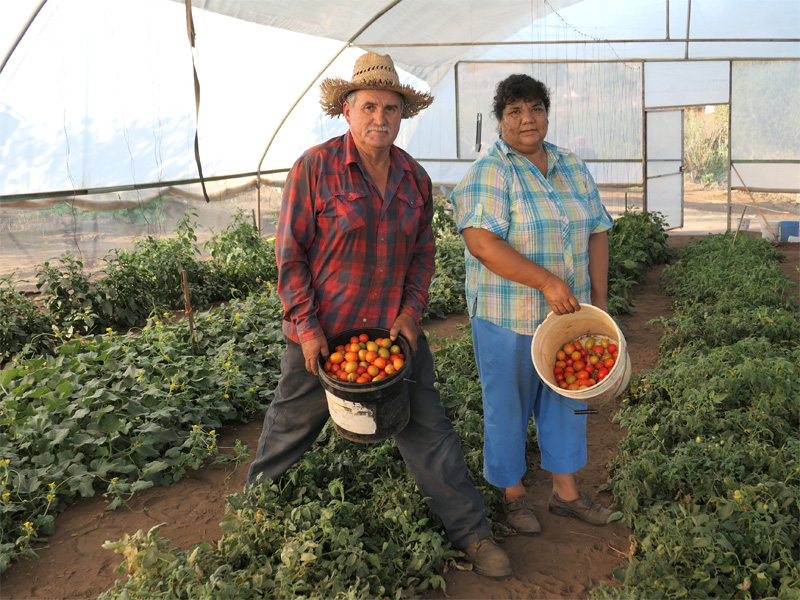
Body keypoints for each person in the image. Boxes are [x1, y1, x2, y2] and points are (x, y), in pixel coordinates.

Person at [245, 52, 511, 578]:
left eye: (391, 108)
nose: (380, 119)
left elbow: (421, 256)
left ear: (402, 115)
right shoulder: (314, 168)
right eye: (369, 106)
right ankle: (250, 517)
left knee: (429, 431)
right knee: (289, 428)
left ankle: (473, 535)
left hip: (392, 341)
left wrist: (412, 314)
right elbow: (290, 256)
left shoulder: (414, 178)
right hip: (322, 338)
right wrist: (307, 329)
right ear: (347, 110)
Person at [450, 73, 615, 535]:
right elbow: (481, 242)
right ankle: (513, 493)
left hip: (571, 317)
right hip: (509, 316)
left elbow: (597, 230)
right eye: (515, 111)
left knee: (568, 398)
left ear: (547, 113)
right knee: (507, 404)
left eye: (536, 108)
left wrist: (599, 303)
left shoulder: (570, 165)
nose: (528, 119)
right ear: (500, 120)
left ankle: (566, 493)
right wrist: (545, 281)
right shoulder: (491, 171)